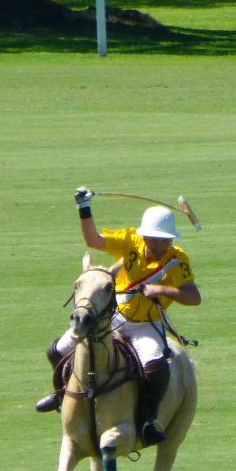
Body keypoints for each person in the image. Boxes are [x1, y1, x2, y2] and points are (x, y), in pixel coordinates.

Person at [35, 188, 202, 446]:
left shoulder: (177, 260)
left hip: (147, 326)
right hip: (114, 318)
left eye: (164, 240)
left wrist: (162, 289)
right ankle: (61, 395)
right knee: (56, 350)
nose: (159, 245)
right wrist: (84, 207)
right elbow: (93, 239)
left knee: (155, 369)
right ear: (144, 235)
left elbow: (194, 296)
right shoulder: (130, 240)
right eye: (154, 239)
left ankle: (147, 420)